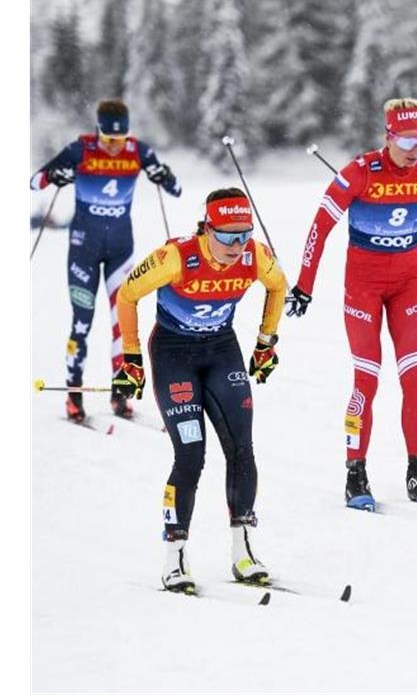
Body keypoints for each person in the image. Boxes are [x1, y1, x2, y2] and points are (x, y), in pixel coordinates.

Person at [287, 97, 417, 511]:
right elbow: (320, 227)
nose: (414, 147)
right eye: (405, 139)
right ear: (387, 137)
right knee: (367, 380)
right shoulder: (359, 173)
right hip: (362, 290)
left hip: (408, 287)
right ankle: (356, 473)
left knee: (413, 377)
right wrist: (304, 286)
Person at [114, 188, 288, 593]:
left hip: (221, 352)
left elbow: (278, 286)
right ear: (206, 228)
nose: (236, 245)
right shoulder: (176, 257)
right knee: (191, 455)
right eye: (226, 235)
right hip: (175, 355)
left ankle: (243, 551)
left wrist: (266, 342)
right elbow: (128, 295)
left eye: (243, 234)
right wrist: (132, 359)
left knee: (242, 449)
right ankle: (174, 557)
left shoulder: (254, 256)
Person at [30, 99, 182, 422]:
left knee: (122, 322)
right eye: (108, 140)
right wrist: (53, 175)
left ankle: (120, 392)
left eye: (120, 140)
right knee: (81, 323)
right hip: (83, 249)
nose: (114, 147)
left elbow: (177, 189)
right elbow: (34, 182)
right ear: (98, 131)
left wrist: (162, 174)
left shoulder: (138, 151)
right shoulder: (81, 148)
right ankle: (74, 394)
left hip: (120, 250)